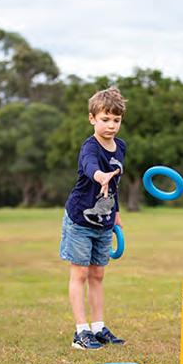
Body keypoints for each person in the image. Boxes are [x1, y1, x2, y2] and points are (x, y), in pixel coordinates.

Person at [59, 86, 127, 349]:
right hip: (80, 220)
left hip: (104, 222)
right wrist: (101, 176)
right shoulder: (90, 147)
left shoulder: (121, 147)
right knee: (80, 274)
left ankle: (98, 328)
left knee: (97, 275)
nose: (111, 125)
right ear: (92, 119)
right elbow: (90, 167)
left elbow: (115, 185)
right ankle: (81, 332)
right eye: (105, 119)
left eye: (116, 120)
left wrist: (116, 212)